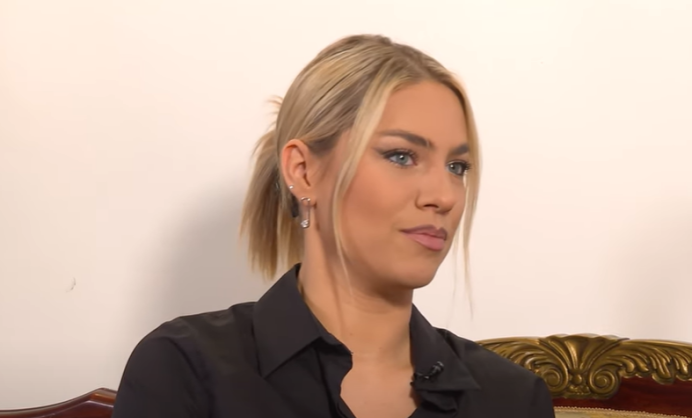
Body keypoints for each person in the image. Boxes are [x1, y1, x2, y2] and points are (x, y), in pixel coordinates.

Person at [112, 34, 555, 418]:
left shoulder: (512, 398)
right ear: (304, 171)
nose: (444, 195)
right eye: (401, 156)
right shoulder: (186, 368)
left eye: (457, 166)